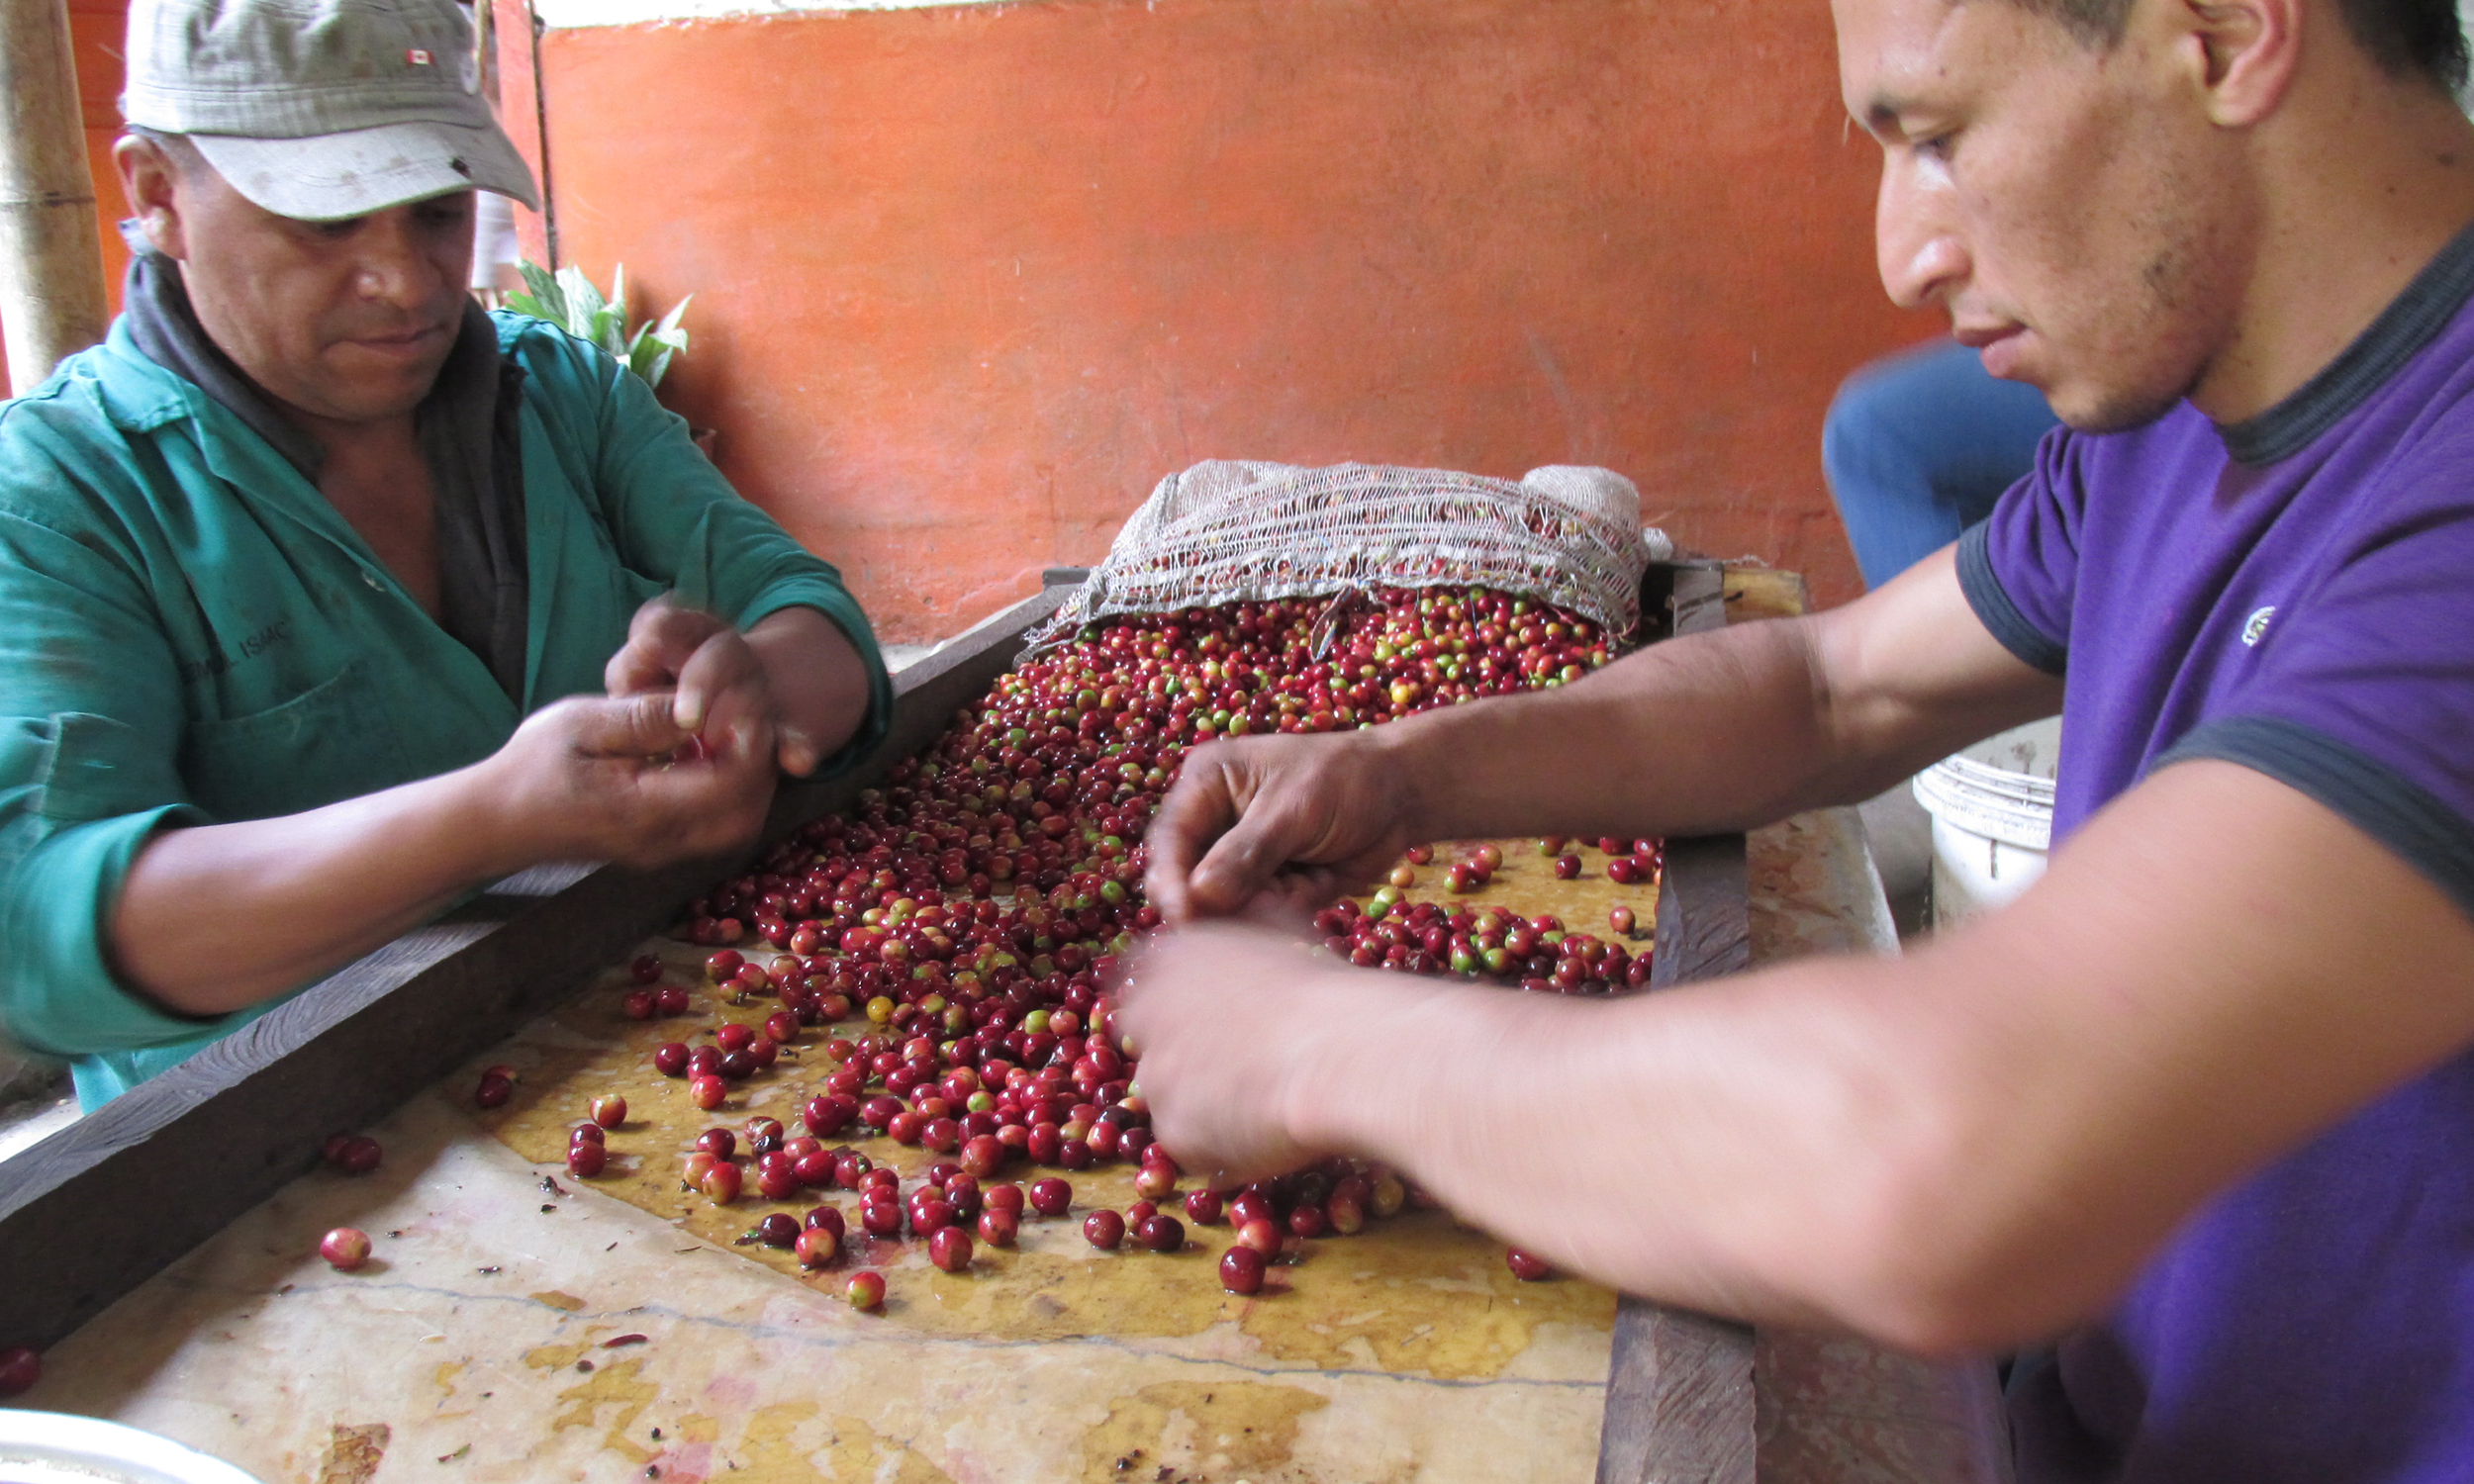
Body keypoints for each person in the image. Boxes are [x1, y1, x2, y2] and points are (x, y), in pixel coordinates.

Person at [1123, 1, 2474, 1479]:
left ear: (2220, 33)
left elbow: (1957, 1158)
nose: (1906, 254)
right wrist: (1401, 769)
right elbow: (1833, 692)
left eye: (1943, 138)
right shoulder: (2187, 406)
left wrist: (1319, 1046)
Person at [0, 0, 890, 1110]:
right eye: (325, 225)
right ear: (156, 195)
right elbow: (37, 932)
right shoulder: (58, 492)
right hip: (274, 1164)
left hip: (618, 1073)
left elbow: (810, 613)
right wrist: (494, 815)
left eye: (434, 211)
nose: (409, 281)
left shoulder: (562, 399)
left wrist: (757, 684)